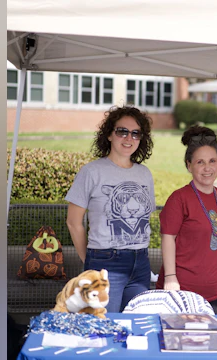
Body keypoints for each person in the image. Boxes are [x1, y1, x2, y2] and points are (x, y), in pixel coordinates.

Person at [65, 105, 156, 313]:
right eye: (122, 131)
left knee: (136, 323)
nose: (128, 138)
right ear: (108, 135)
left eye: (135, 133)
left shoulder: (145, 174)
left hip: (141, 262)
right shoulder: (92, 172)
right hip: (105, 262)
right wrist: (89, 260)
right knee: (103, 325)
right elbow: (73, 222)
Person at [154, 126, 217, 314]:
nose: (207, 168)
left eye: (212, 161)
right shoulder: (179, 198)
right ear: (189, 166)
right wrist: (171, 278)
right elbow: (168, 239)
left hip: (213, 293)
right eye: (200, 162)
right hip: (180, 293)